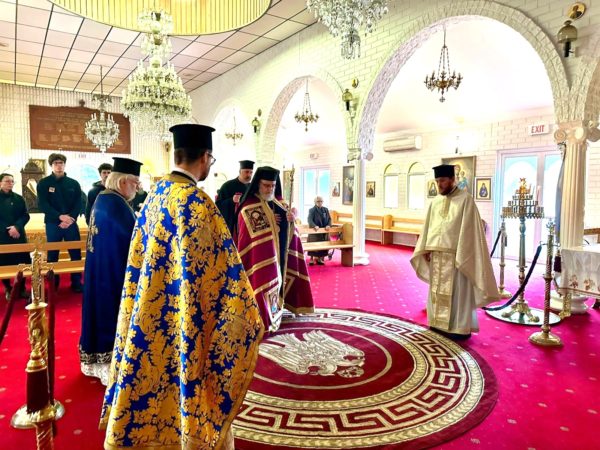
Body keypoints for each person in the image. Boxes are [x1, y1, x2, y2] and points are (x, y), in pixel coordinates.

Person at [100, 124, 263, 450]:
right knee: (187, 379)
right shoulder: (197, 203)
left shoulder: (154, 196)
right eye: (211, 160)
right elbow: (224, 276)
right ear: (204, 158)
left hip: (148, 317)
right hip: (187, 319)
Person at [410, 164, 499, 340]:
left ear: (452, 179)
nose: (439, 184)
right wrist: (426, 247)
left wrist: (462, 253)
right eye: (437, 181)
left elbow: (470, 232)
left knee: (457, 293)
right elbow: (429, 227)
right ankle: (437, 323)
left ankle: (458, 328)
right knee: (436, 291)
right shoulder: (435, 202)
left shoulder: (466, 200)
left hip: (457, 257)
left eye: (442, 180)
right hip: (437, 257)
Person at [79, 157, 142, 386]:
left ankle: (97, 361)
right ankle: (110, 364)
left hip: (100, 268)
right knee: (109, 312)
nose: (137, 188)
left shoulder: (104, 199)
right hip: (112, 272)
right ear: (123, 182)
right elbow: (134, 240)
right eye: (135, 183)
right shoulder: (116, 205)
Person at [237, 166, 315, 332]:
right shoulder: (248, 206)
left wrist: (291, 219)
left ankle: (280, 306)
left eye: (272, 186)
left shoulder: (280, 203)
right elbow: (249, 234)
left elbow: (290, 228)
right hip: (263, 256)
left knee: (282, 277)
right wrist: (269, 219)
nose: (269, 189)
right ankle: (263, 314)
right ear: (258, 184)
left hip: (280, 255)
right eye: (266, 185)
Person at [37, 153, 83, 292]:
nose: (59, 165)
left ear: (64, 164)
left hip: (71, 223)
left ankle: (76, 283)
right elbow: (43, 205)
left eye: (61, 163)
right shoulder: (44, 183)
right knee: (52, 255)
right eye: (56, 163)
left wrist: (70, 218)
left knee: (75, 253)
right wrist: (60, 217)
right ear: (51, 165)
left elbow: (79, 203)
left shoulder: (73, 183)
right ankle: (53, 285)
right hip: (53, 223)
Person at [0, 173, 30, 300]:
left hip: (19, 235)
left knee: (22, 261)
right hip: (2, 236)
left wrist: (17, 227)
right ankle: (8, 287)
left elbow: (25, 215)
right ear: (0, 183)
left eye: (12, 181)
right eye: (7, 181)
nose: (10, 183)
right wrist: (8, 229)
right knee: (4, 262)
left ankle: (21, 288)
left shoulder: (19, 198)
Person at [215, 159, 254, 235]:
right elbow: (218, 206)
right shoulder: (227, 186)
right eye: (246, 172)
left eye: (251, 172)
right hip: (232, 225)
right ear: (240, 171)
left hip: (248, 224)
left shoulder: (252, 187)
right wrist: (231, 200)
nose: (249, 175)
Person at [307, 196, 332, 265]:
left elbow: (329, 219)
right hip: (315, 231)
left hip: (324, 230)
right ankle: (311, 259)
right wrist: (314, 226)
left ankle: (319, 259)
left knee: (323, 245)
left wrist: (328, 225)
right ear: (315, 202)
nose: (320, 202)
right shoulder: (312, 210)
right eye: (318, 201)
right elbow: (309, 220)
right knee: (313, 245)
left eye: (321, 201)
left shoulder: (325, 209)